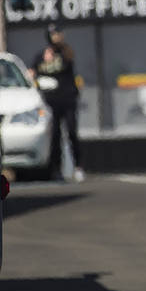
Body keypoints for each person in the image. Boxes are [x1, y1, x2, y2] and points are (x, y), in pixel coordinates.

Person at [29, 23, 84, 182]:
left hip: (68, 99)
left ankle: (78, 166)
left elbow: (70, 57)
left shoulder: (65, 52)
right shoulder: (41, 56)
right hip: (51, 101)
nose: (57, 36)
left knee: (72, 132)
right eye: (54, 34)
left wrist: (57, 51)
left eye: (59, 33)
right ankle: (57, 170)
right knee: (55, 136)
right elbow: (32, 73)